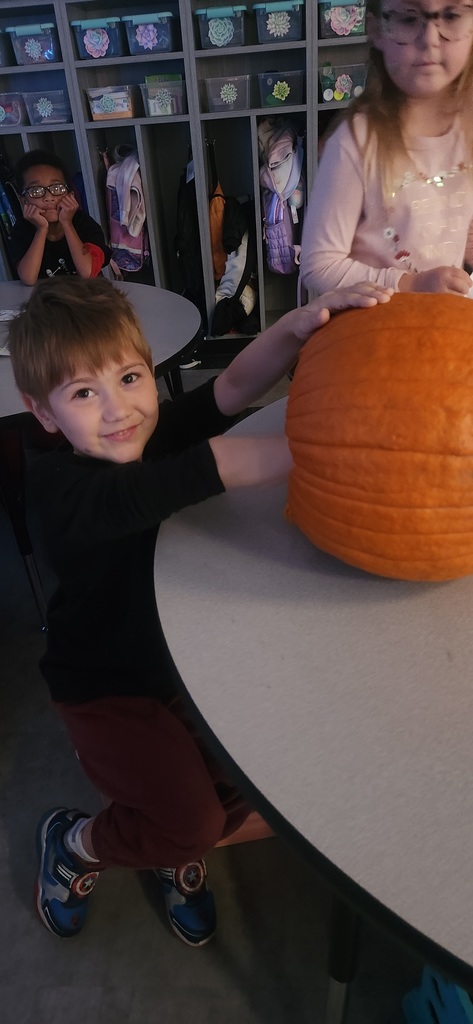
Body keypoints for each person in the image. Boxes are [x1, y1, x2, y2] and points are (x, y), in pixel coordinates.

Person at [8, 275, 392, 948]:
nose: (119, 409)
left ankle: (164, 835)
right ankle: (79, 841)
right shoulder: (58, 492)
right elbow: (205, 468)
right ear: (43, 414)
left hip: (179, 660)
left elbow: (233, 390)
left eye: (129, 378)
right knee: (188, 823)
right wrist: (344, 444)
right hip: (105, 687)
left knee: (242, 781)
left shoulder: (140, 430)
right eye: (82, 393)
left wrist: (297, 325)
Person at [301, 0, 473, 296]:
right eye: (408, 19)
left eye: (451, 15)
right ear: (376, 30)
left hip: (444, 323)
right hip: (374, 325)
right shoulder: (355, 142)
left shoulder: (468, 130)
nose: (430, 39)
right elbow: (319, 267)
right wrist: (411, 284)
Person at [9, 149, 110, 284]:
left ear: (70, 195)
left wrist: (67, 223)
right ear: (24, 201)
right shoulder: (21, 230)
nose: (48, 197)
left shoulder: (85, 225)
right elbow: (28, 279)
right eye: (36, 191)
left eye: (57, 188)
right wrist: (41, 229)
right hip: (45, 300)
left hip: (86, 299)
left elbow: (87, 274)